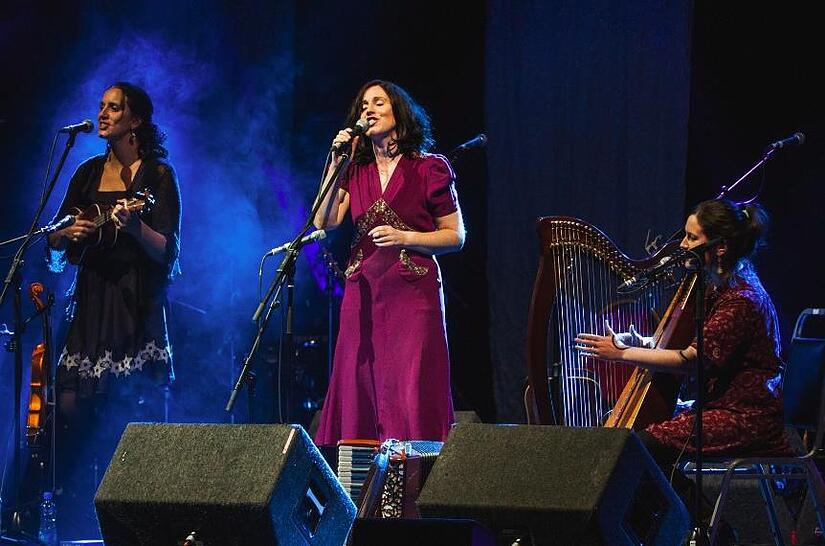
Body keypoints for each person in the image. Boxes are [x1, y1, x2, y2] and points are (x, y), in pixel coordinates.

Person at [575, 199, 789, 531]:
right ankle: (688, 525)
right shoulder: (719, 288)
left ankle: (705, 529)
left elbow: (691, 361)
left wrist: (621, 354)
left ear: (720, 247)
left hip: (747, 417)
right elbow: (696, 348)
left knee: (639, 448)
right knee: (632, 442)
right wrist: (640, 343)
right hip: (722, 407)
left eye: (692, 238)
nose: (683, 246)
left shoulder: (741, 300)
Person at [46, 82, 181, 537]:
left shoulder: (157, 176)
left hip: (134, 303)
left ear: (135, 120)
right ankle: (79, 507)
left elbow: (167, 250)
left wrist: (136, 228)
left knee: (129, 413)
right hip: (91, 302)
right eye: (101, 107)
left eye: (114, 108)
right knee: (71, 405)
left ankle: (132, 519)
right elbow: (54, 237)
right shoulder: (86, 173)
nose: (103, 114)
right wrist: (67, 234)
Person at [312, 80, 465, 446]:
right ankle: (359, 475)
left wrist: (405, 237)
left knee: (411, 385)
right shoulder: (354, 169)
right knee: (357, 381)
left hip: (413, 293)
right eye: (363, 105)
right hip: (363, 292)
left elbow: (455, 235)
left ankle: (415, 474)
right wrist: (335, 163)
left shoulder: (429, 167)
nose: (369, 109)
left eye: (378, 102)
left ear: (399, 110)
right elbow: (323, 220)